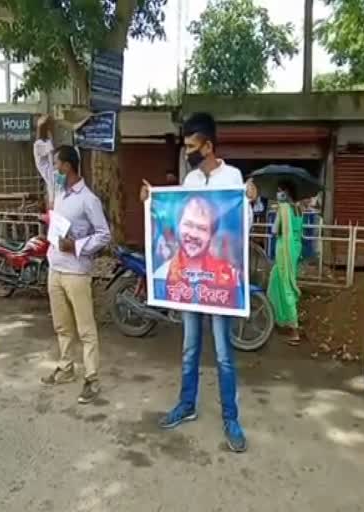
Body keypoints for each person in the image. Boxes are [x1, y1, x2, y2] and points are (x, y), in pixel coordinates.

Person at [140, 112, 258, 452]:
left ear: (208, 146)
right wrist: (152, 202)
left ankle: (231, 418)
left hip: (218, 285)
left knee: (223, 353)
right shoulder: (189, 180)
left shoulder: (232, 176)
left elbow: (242, 227)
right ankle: (186, 405)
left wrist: (249, 200)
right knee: (189, 348)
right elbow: (173, 218)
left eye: (192, 146)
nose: (188, 151)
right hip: (190, 284)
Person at [34, 142, 111, 405]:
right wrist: (41, 134)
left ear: (66, 166)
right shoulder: (58, 190)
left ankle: (92, 378)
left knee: (85, 329)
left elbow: (104, 235)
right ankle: (66, 368)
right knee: (61, 325)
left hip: (76, 272)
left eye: (57, 164)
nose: (53, 168)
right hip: (55, 268)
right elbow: (41, 161)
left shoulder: (88, 199)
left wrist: (76, 246)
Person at [157, 195, 241, 309]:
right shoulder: (162, 275)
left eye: (202, 228)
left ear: (212, 234)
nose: (193, 234)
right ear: (178, 227)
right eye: (188, 224)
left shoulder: (229, 276)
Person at [267, 181, 303, 345]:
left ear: (286, 193)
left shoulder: (283, 209)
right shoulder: (299, 208)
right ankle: (276, 318)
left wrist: (277, 218)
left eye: (280, 191)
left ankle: (294, 329)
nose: (278, 194)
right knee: (275, 279)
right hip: (295, 247)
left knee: (286, 284)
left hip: (284, 249)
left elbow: (274, 230)